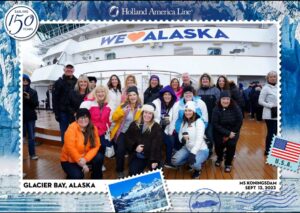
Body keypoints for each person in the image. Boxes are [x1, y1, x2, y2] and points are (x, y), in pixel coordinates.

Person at [61, 108, 103, 179]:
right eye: (81, 117)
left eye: (86, 117)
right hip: (70, 160)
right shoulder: (71, 129)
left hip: (85, 157)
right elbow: (70, 148)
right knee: (78, 176)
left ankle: (96, 179)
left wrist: (86, 159)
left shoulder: (93, 128)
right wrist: (82, 164)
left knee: (99, 157)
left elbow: (96, 146)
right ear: (76, 119)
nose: (83, 120)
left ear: (89, 118)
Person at [110, 86, 142, 178]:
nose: (132, 97)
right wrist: (121, 112)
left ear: (137, 95)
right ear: (128, 96)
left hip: (134, 134)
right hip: (122, 132)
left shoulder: (141, 107)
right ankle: (119, 170)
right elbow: (113, 118)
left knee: (134, 150)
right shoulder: (123, 105)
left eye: (134, 94)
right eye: (130, 95)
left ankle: (132, 167)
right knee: (120, 150)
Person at [171, 101, 209, 179]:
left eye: (189, 110)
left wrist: (193, 153)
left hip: (200, 149)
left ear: (194, 111)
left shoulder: (199, 122)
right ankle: (189, 160)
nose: (187, 112)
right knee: (174, 161)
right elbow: (180, 134)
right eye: (186, 110)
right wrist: (182, 140)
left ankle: (198, 169)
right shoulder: (184, 122)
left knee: (194, 164)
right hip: (187, 148)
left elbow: (199, 140)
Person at [125, 104, 163, 176]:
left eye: (150, 113)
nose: (147, 115)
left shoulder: (156, 127)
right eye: (145, 112)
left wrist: (154, 160)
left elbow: (157, 145)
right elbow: (127, 138)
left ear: (153, 115)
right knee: (133, 173)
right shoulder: (134, 124)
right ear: (142, 113)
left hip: (151, 156)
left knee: (156, 174)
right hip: (138, 156)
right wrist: (135, 147)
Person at [80, 85, 111, 171]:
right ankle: (89, 163)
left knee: (102, 148)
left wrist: (108, 130)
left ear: (106, 93)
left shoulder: (108, 105)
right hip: (91, 132)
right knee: (92, 149)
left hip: (103, 132)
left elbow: (108, 119)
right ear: (95, 93)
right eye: (98, 92)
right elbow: (82, 117)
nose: (100, 94)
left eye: (102, 91)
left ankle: (100, 164)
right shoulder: (89, 103)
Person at [212, 91, 243, 173]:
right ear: (220, 99)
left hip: (233, 131)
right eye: (223, 99)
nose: (225, 101)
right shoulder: (216, 109)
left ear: (230, 99)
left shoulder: (235, 107)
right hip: (219, 131)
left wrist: (231, 133)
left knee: (231, 146)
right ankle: (219, 158)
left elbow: (239, 121)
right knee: (218, 146)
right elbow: (215, 123)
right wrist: (227, 133)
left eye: (227, 99)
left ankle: (228, 163)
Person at [152, 85, 178, 168]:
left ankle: (168, 161)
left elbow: (174, 119)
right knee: (158, 139)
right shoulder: (156, 102)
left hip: (167, 129)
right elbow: (151, 117)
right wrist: (160, 122)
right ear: (162, 95)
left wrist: (170, 132)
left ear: (172, 96)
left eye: (169, 94)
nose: (167, 96)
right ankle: (156, 161)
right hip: (155, 128)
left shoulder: (175, 105)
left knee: (170, 140)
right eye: (165, 94)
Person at [52, 61, 78, 143]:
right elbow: (54, 98)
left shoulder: (77, 81)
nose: (69, 69)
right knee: (64, 132)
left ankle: (74, 149)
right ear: (64, 69)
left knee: (75, 131)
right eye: (67, 68)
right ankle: (66, 150)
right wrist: (56, 113)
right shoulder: (58, 82)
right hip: (63, 112)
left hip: (74, 112)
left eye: (71, 68)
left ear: (73, 70)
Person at [197, 73, 220, 157]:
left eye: (206, 79)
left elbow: (219, 104)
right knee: (200, 135)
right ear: (201, 81)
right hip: (199, 119)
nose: (205, 80)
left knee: (209, 136)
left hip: (210, 118)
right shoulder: (197, 91)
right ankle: (200, 150)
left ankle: (209, 151)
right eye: (203, 79)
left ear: (209, 80)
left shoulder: (215, 90)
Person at [259, 71, 278, 156]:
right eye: (271, 77)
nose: (273, 78)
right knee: (271, 132)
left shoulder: (278, 87)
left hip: (278, 113)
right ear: (268, 78)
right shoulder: (265, 88)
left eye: (275, 76)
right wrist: (269, 105)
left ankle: (276, 150)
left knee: (278, 132)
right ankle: (268, 150)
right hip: (269, 114)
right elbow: (260, 101)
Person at [23, 74, 39, 160]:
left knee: (31, 137)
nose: (25, 82)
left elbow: (35, 105)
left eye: (26, 80)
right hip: (20, 118)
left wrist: (29, 98)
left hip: (30, 118)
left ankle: (32, 154)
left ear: (29, 81)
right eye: (23, 80)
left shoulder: (33, 92)